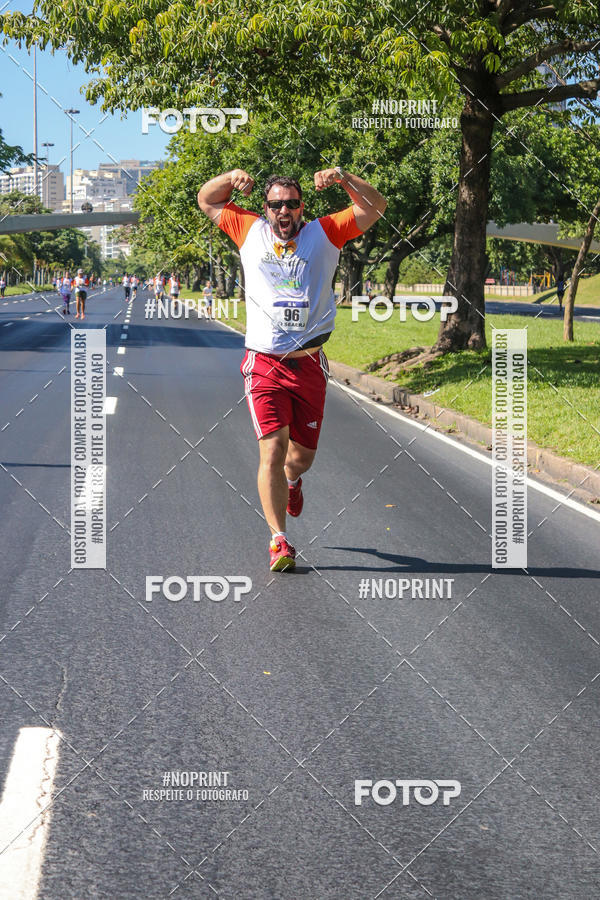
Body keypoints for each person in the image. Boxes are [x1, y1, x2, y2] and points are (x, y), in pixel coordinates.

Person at [198, 167, 386, 571]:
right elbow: (207, 199)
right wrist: (230, 179)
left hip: (310, 365)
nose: (284, 211)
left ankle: (294, 482)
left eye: (291, 204)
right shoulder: (248, 230)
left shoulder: (326, 233)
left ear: (302, 207)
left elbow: (376, 207)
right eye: (276, 204)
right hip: (264, 363)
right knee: (273, 449)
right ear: (265, 209)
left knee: (299, 459)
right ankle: (279, 540)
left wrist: (345, 179)